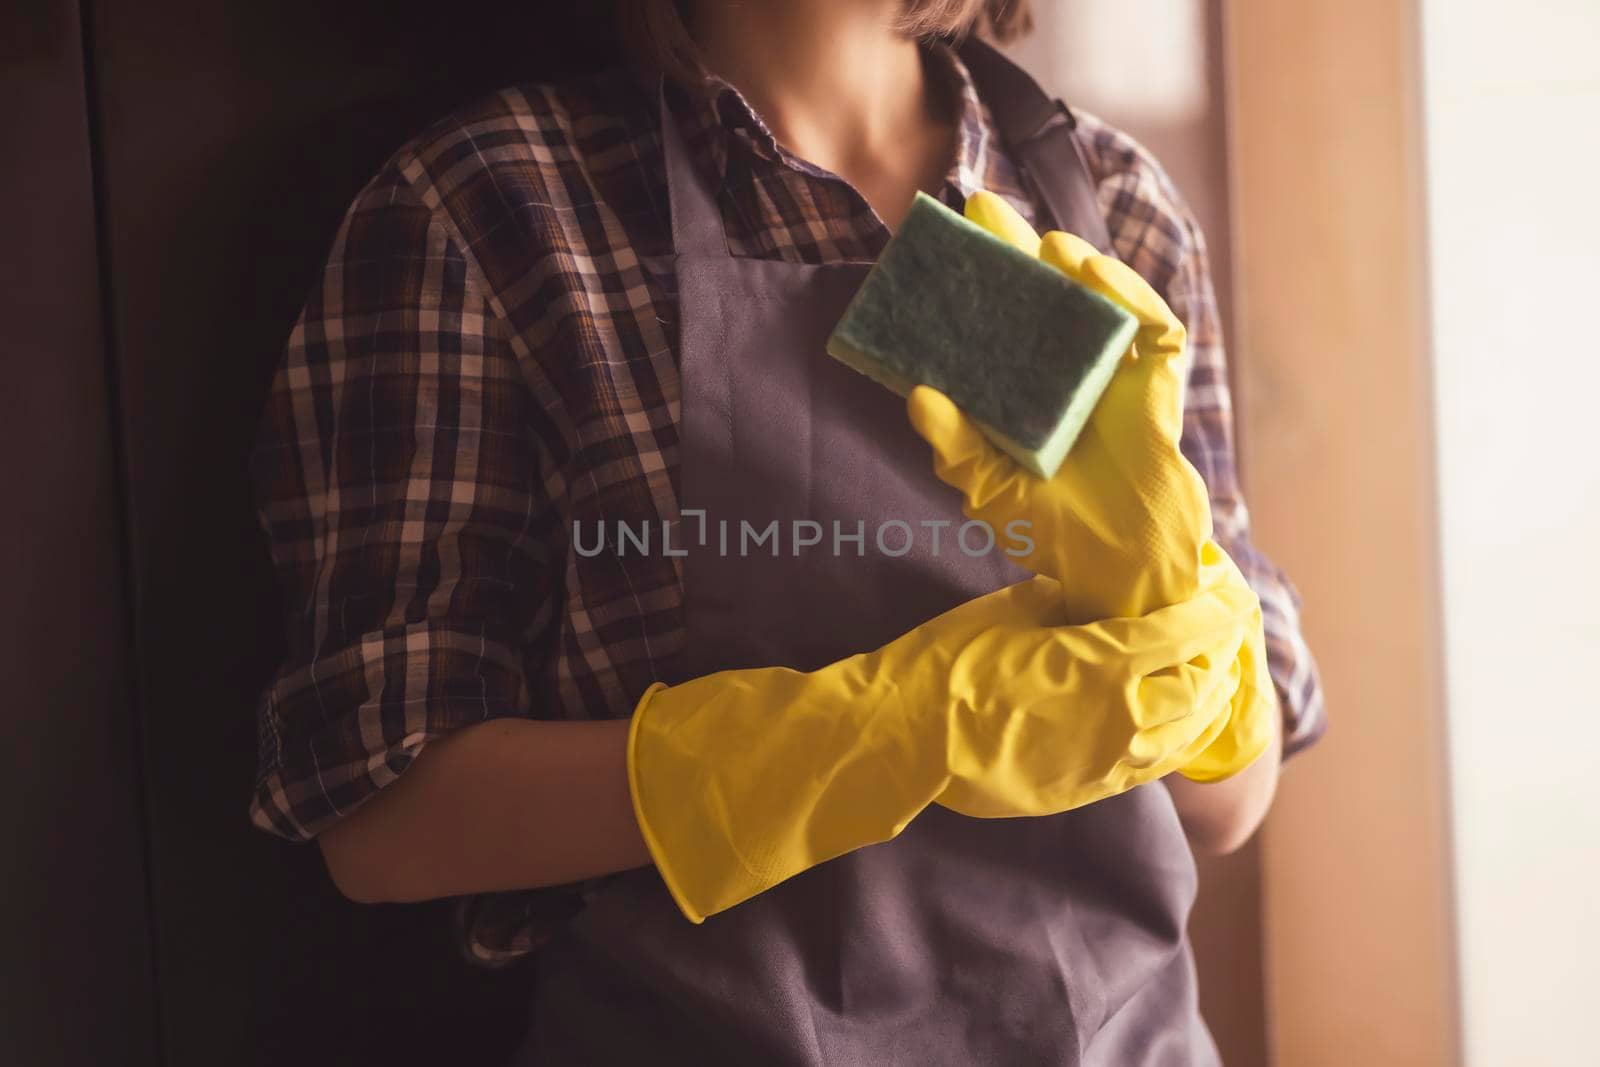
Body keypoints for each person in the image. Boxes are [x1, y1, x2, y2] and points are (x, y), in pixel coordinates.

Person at [247, 1, 1326, 1062]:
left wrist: (1175, 631)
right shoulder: (502, 213)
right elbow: (383, 815)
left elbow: (1227, 806)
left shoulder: (1102, 205)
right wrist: (890, 730)